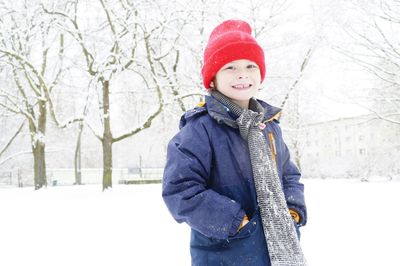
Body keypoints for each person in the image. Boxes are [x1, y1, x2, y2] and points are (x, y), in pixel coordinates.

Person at [162, 19, 308, 266]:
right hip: (226, 254)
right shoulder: (200, 129)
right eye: (229, 67)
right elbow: (180, 189)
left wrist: (292, 212)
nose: (242, 74)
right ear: (212, 79)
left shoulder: (269, 126)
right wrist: (235, 221)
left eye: (250, 65)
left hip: (282, 251)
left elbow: (288, 175)